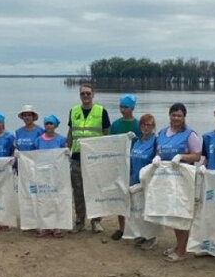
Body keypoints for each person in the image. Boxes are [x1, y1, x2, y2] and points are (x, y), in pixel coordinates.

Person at [156, 103, 202, 262]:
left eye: (179, 115)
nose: (176, 118)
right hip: (167, 180)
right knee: (172, 214)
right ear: (169, 115)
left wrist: (182, 157)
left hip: (183, 181)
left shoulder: (190, 135)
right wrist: (156, 157)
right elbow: (158, 151)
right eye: (173, 115)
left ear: (184, 117)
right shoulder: (162, 133)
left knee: (181, 214)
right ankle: (178, 245)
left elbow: (197, 156)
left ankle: (182, 251)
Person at [67, 81, 110, 233]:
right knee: (78, 190)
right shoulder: (73, 111)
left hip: (94, 158)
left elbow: (107, 133)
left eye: (88, 93)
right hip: (77, 157)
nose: (85, 96)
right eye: (82, 93)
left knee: (95, 190)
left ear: (93, 94)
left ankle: (96, 221)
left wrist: (105, 155)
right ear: (80, 95)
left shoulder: (101, 111)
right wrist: (67, 149)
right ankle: (79, 221)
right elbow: (71, 133)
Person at [109, 94, 141, 240]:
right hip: (119, 165)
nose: (123, 109)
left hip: (135, 165)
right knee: (120, 197)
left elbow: (145, 141)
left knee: (135, 198)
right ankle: (121, 228)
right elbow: (110, 143)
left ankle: (136, 227)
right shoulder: (115, 125)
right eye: (121, 106)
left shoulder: (138, 125)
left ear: (132, 108)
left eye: (126, 107)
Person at [33, 115, 68, 238]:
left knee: (56, 200)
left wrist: (67, 152)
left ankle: (57, 225)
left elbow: (65, 155)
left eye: (51, 123)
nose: (49, 126)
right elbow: (34, 156)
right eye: (47, 123)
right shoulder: (38, 140)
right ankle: (45, 226)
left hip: (56, 174)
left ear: (56, 125)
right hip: (43, 175)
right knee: (43, 200)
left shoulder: (61, 140)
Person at [127, 113, 158, 250]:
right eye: (144, 125)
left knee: (148, 210)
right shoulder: (137, 141)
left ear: (153, 127)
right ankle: (141, 234)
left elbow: (158, 158)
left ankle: (151, 237)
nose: (146, 127)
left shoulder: (156, 141)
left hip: (148, 182)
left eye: (149, 125)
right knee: (137, 210)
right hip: (135, 179)